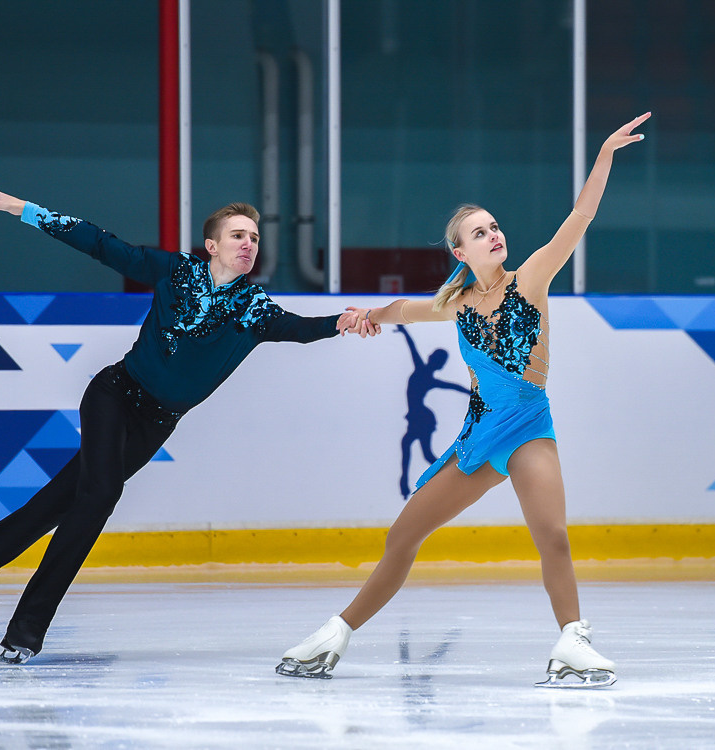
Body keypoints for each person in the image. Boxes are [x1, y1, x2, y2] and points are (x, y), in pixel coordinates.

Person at [0, 189, 361, 664]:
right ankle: (26, 631)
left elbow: (302, 328)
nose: (248, 243)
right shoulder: (178, 271)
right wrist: (26, 211)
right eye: (237, 235)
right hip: (114, 396)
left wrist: (345, 321)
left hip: (154, 425)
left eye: (255, 237)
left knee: (41, 515)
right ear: (211, 245)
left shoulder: (254, 308)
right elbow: (102, 244)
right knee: (99, 496)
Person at [277, 112, 651, 688]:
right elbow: (403, 310)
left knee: (552, 534)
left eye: (494, 226)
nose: (494, 234)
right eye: (479, 233)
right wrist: (365, 317)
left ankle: (573, 639)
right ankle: (336, 633)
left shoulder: (531, 279)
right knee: (402, 537)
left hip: (528, 425)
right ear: (459, 252)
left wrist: (602, 156)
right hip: (478, 436)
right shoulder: (457, 303)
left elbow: (579, 217)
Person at [395, 325, 470, 499]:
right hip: (419, 417)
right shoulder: (427, 376)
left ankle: (453, 476)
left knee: (421, 451)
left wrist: (404, 331)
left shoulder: (423, 372)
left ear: (433, 360)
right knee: (415, 449)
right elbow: (453, 386)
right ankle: (407, 482)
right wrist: (404, 331)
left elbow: (412, 347)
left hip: (422, 418)